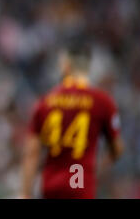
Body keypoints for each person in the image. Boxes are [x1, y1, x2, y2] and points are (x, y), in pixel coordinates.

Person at [21, 42, 124, 198]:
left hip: (51, 185)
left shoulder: (45, 102)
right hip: (81, 184)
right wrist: (94, 169)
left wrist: (25, 194)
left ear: (66, 65)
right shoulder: (103, 102)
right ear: (87, 67)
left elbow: (32, 153)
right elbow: (116, 150)